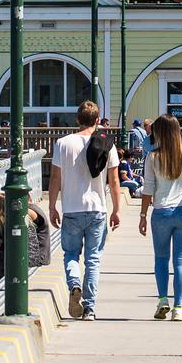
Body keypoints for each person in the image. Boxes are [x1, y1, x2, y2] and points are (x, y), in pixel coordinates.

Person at [48, 101, 120, 322]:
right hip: (97, 209)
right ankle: (89, 308)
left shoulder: (62, 144)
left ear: (78, 119)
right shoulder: (107, 144)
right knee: (93, 259)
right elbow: (114, 180)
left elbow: (55, 179)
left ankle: (74, 284)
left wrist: (52, 206)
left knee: (71, 254)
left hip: (71, 209)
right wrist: (116, 209)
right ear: (98, 120)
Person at [139, 115, 182, 321]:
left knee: (161, 259)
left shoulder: (153, 157)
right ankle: (179, 308)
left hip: (162, 212)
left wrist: (142, 215)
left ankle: (163, 300)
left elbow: (148, 188)